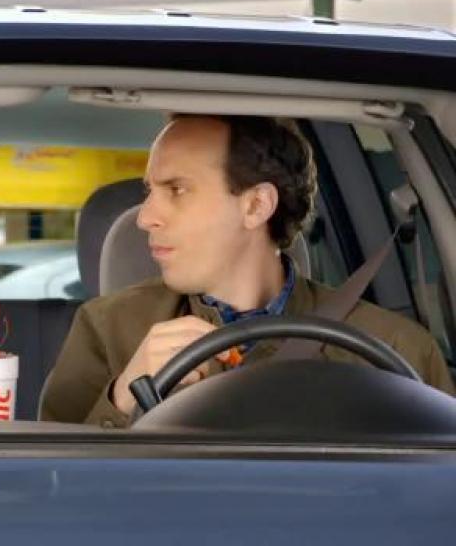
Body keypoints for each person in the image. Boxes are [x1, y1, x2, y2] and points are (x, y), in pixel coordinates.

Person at [40, 114, 454, 428]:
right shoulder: (107, 330)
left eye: (177, 190)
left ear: (256, 206)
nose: (145, 217)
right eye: (151, 191)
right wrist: (122, 398)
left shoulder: (394, 348)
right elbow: (53, 490)